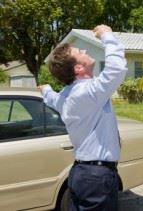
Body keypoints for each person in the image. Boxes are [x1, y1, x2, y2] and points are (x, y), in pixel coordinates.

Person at [38, 24, 127, 210]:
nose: (85, 50)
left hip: (81, 174)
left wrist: (46, 91)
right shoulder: (87, 92)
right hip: (97, 177)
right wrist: (107, 36)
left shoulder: (66, 96)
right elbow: (116, 70)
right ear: (78, 68)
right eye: (80, 51)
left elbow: (53, 99)